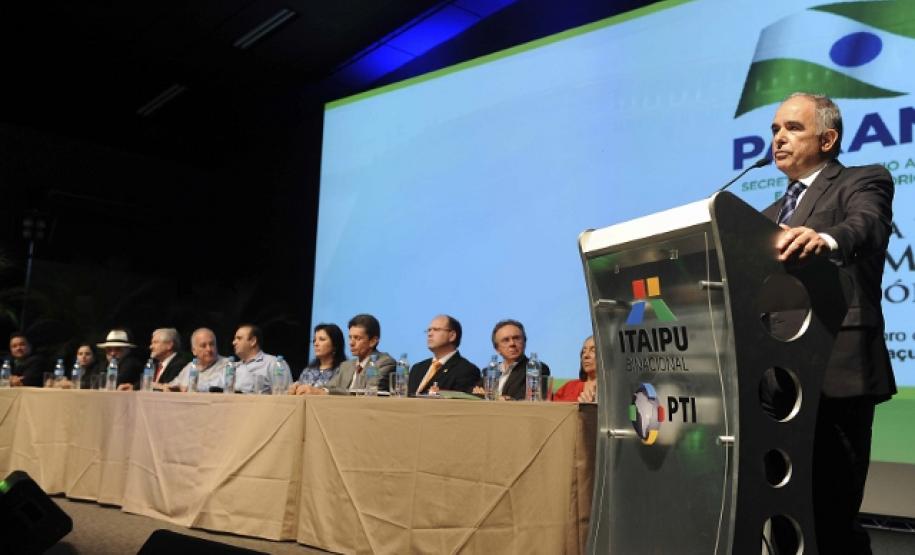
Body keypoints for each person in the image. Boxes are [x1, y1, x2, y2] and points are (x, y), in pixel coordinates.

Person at [763, 92, 895, 554]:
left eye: (792, 128)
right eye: (775, 129)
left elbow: (866, 226)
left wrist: (823, 237)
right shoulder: (760, 218)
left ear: (828, 138)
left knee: (831, 517)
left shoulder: (862, 181)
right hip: (775, 380)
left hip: (837, 370)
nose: (779, 137)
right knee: (780, 514)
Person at [315, 314, 395, 395]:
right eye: (350, 337)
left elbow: (368, 392)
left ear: (373, 341)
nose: (351, 343)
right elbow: (328, 387)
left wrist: (327, 392)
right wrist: (312, 390)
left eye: (357, 338)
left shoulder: (384, 363)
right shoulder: (346, 366)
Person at [478, 319, 551, 400]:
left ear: (524, 342)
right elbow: (474, 393)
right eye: (506, 340)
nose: (512, 343)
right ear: (497, 349)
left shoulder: (536, 368)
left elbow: (524, 398)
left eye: (516, 338)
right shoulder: (489, 371)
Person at [408, 315, 480, 396]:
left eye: (436, 330)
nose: (429, 334)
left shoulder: (466, 370)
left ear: (452, 336)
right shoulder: (417, 368)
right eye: (428, 330)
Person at [231, 324, 290, 393]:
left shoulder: (274, 363)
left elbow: (286, 394)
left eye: (239, 338)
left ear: (253, 341)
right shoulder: (233, 367)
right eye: (234, 339)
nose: (234, 342)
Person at [290, 323, 346, 395]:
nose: (316, 344)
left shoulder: (342, 370)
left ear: (335, 345)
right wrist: (294, 389)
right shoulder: (308, 371)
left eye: (322, 339)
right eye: (314, 340)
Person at [169, 328, 229, 392]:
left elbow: (219, 387)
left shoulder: (228, 365)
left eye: (212, 344)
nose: (209, 349)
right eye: (203, 346)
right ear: (194, 351)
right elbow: (172, 385)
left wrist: (187, 388)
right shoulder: (190, 367)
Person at [553, 336, 597, 402]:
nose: (586, 355)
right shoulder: (569, 387)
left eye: (593, 350)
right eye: (584, 351)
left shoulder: (613, 390)